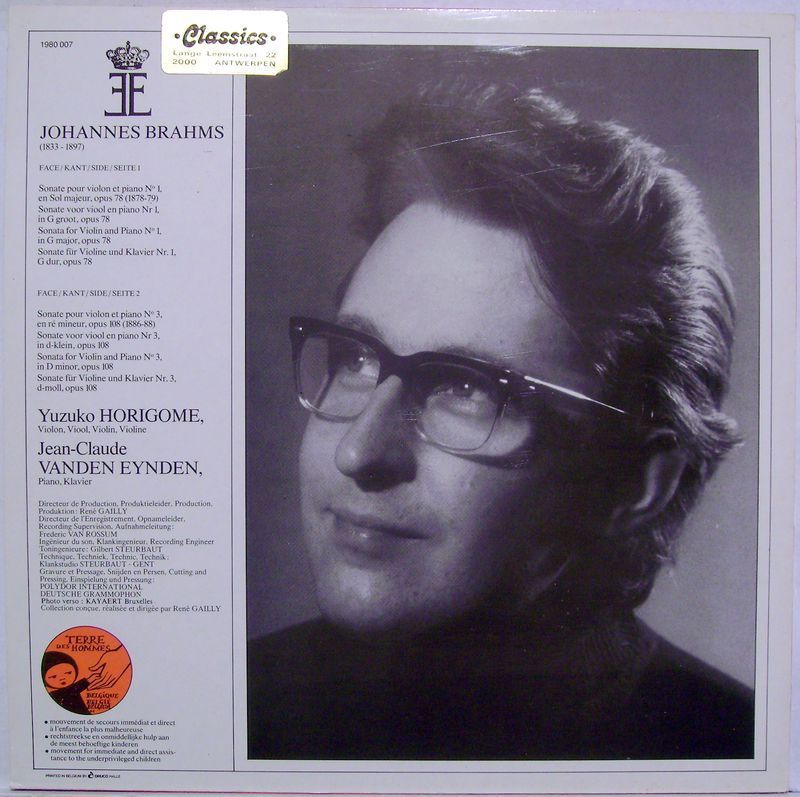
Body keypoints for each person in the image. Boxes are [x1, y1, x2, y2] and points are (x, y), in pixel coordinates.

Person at [248, 81, 753, 760]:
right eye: (357, 358)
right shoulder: (234, 703)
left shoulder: (732, 749)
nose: (358, 452)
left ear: (634, 484)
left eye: (467, 387)